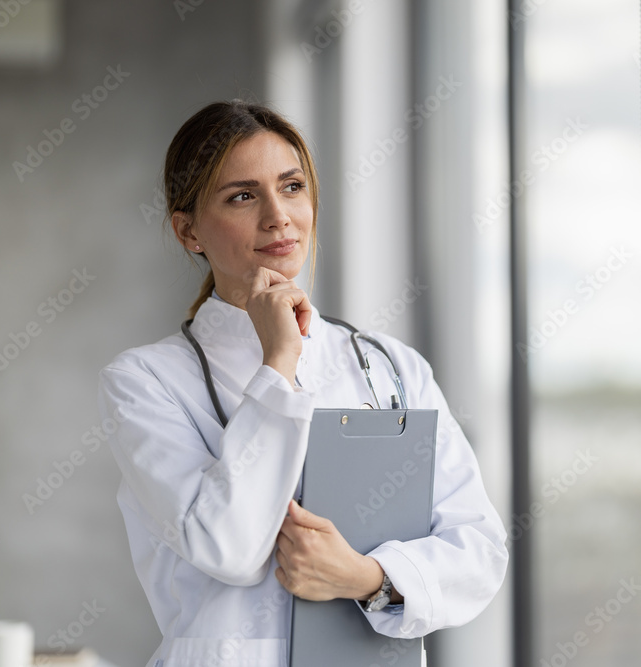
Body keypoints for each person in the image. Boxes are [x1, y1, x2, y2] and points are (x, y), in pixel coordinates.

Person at [97, 100, 508, 667]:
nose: (278, 216)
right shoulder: (144, 381)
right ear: (188, 230)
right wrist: (280, 359)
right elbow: (228, 547)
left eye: (291, 187)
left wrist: (366, 577)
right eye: (243, 196)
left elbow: (479, 551)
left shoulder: (391, 365)